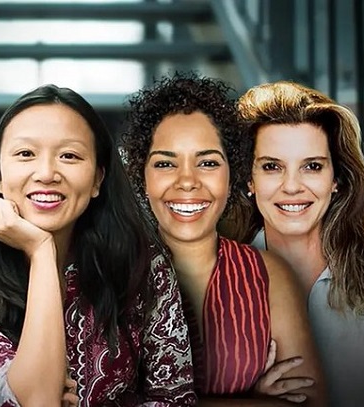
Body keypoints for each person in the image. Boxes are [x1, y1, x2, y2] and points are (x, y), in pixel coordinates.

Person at [0, 84, 196, 406]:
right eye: (25, 154)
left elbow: (175, 398)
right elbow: (38, 400)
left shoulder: (144, 264)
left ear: (97, 179)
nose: (47, 173)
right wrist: (41, 252)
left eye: (69, 155)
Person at [121, 72, 326, 406]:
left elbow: (312, 401)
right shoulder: (109, 272)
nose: (186, 181)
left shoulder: (269, 274)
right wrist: (253, 400)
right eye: (165, 163)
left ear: (233, 175)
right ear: (141, 177)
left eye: (207, 162)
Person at [235, 80, 364, 407]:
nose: (292, 187)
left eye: (312, 166)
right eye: (272, 167)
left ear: (337, 180)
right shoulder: (215, 282)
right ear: (249, 180)